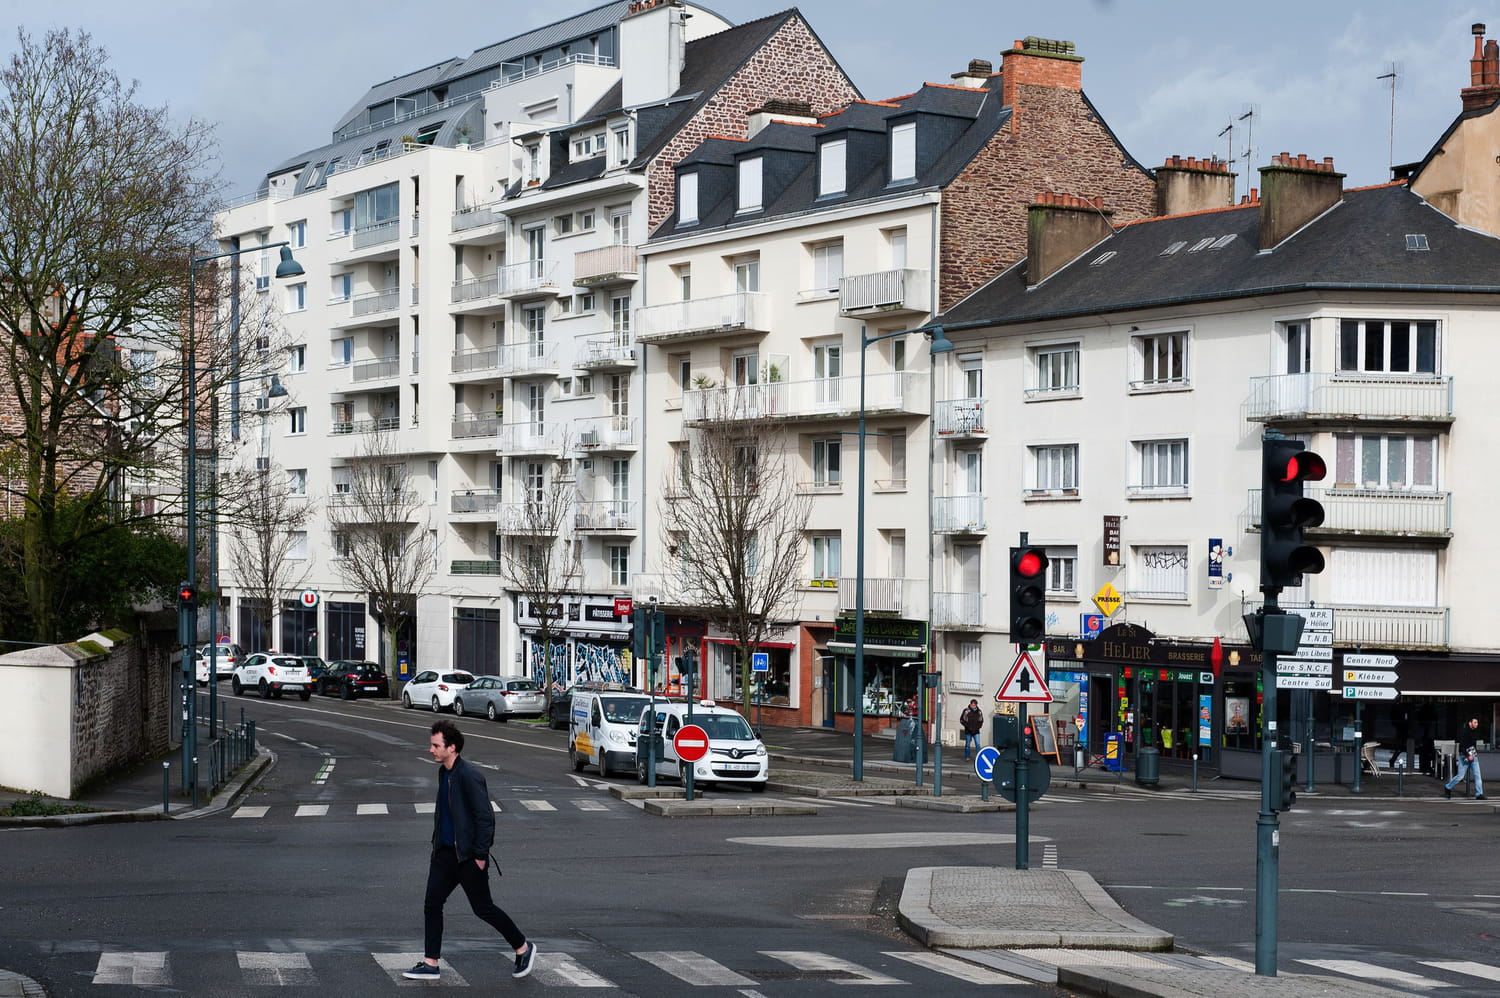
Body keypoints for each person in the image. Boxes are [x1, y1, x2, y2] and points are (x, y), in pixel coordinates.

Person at [405, 719, 536, 981]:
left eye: (435, 745)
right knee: (432, 904)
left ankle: (523, 947)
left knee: (483, 908)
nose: (431, 750)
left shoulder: (469, 775)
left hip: (467, 857)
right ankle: (431, 962)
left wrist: (479, 855)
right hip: (443, 854)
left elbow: (485, 818)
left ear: (451, 747)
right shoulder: (444, 772)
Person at [1444, 716, 1485, 800]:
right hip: (1464, 756)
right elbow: (1462, 746)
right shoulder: (1464, 732)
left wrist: (1473, 754)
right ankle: (1448, 787)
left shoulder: (1475, 732)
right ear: (1470, 723)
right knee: (1460, 776)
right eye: (1475, 723)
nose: (1477, 724)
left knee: (1478, 775)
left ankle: (1479, 794)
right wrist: (1467, 755)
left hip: (1473, 756)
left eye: (1477, 723)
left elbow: (1474, 745)